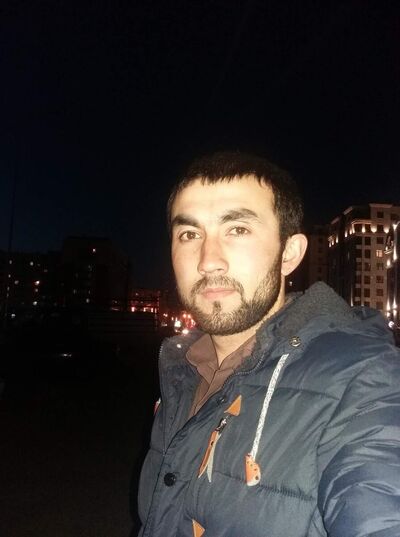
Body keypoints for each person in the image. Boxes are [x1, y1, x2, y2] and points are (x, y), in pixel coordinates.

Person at [137, 151, 400, 537]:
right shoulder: (182, 368)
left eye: (237, 229)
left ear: (289, 254)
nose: (208, 261)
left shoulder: (362, 378)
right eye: (190, 234)